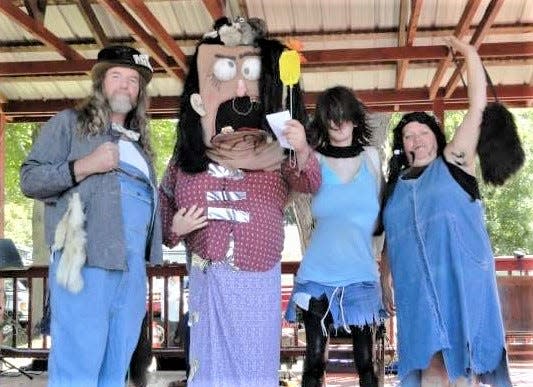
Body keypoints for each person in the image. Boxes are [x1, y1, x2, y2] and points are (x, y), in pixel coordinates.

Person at [159, 17, 321, 387]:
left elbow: (311, 182)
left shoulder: (277, 156)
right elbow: (163, 217)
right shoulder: (186, 159)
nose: (240, 89)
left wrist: (300, 146)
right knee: (210, 368)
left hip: (257, 278)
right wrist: (175, 230)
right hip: (208, 278)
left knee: (254, 367)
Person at [20, 45, 163, 386]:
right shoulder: (69, 123)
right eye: (116, 76)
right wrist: (85, 166)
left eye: (133, 80)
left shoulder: (141, 147)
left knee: (115, 368)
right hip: (84, 263)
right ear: (100, 83)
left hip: (131, 271)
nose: (125, 85)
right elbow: (30, 178)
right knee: (77, 367)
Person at [380, 36, 512, 386]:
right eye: (408, 135)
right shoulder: (395, 188)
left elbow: (478, 109)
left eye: (423, 131)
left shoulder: (454, 162)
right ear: (402, 146)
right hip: (416, 287)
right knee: (430, 366)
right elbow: (392, 237)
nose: (416, 138)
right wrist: (384, 276)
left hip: (460, 280)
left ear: (437, 137)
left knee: (464, 364)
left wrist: (469, 54)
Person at [284, 86, 391, 387]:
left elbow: (384, 218)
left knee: (366, 364)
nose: (338, 123)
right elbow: (283, 197)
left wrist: (386, 268)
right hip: (317, 274)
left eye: (344, 116)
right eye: (330, 116)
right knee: (315, 362)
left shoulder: (372, 158)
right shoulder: (311, 160)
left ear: (355, 120)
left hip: (361, 273)